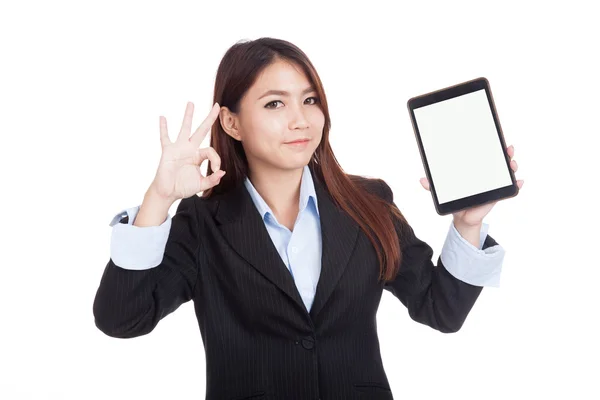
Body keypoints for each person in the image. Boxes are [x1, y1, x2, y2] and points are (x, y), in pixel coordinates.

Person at [93, 37, 522, 400]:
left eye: (310, 100)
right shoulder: (202, 222)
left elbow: (440, 310)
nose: (301, 120)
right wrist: (158, 198)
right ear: (232, 122)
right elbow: (122, 319)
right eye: (275, 103)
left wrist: (467, 223)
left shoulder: (368, 202)